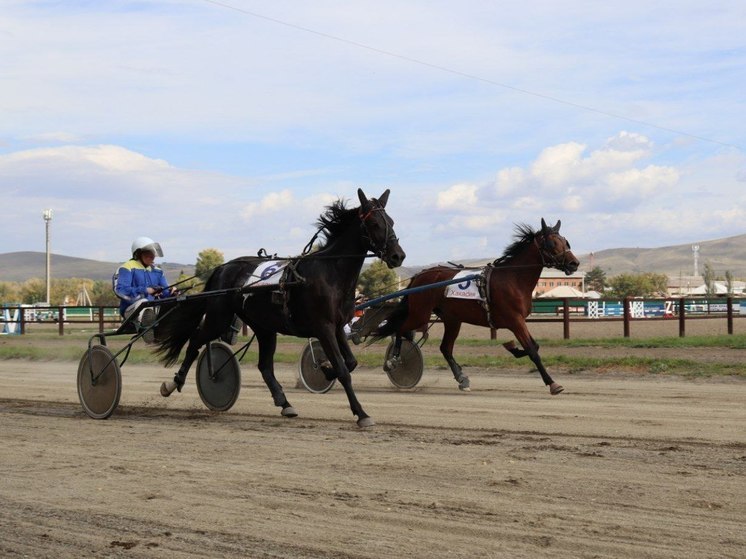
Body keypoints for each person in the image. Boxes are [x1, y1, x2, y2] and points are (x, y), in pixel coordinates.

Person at [114, 236, 176, 340]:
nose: (153, 256)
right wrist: (145, 290)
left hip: (154, 307)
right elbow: (120, 291)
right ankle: (149, 337)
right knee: (144, 303)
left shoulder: (158, 271)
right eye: (149, 253)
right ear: (138, 253)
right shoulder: (126, 268)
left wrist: (172, 292)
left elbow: (165, 293)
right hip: (132, 309)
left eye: (153, 253)